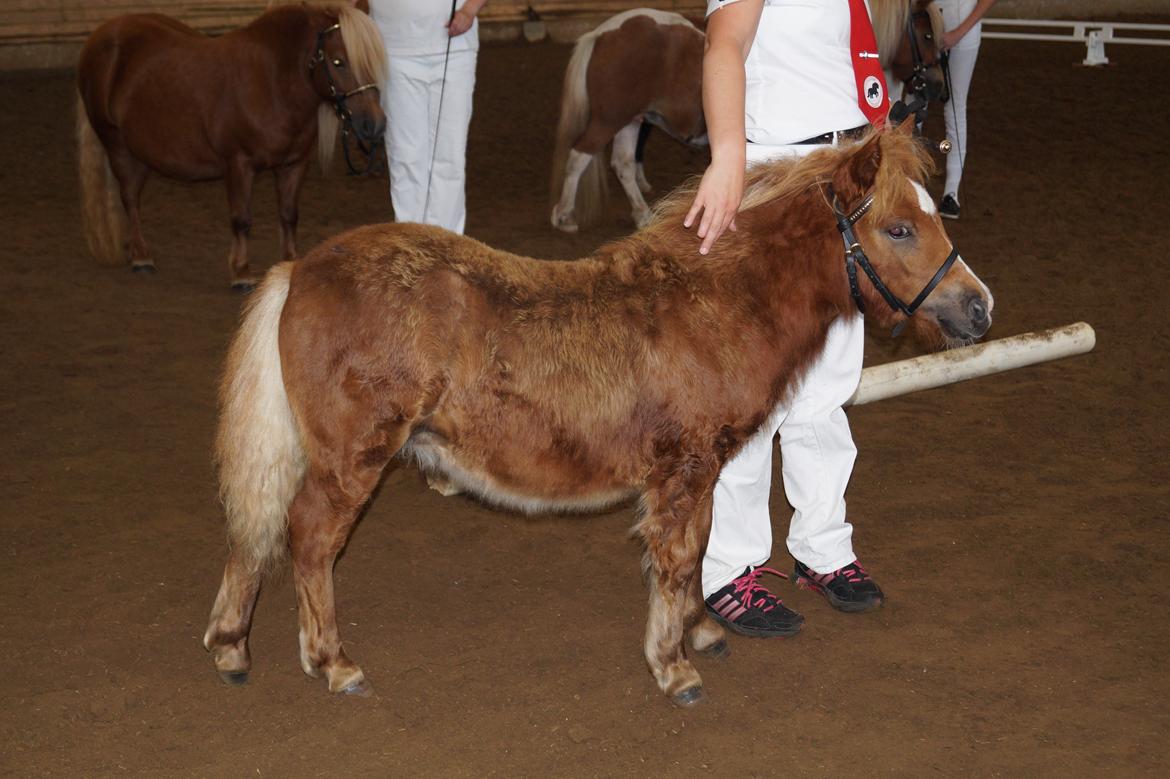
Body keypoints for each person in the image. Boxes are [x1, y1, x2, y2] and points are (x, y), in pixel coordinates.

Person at [684, 0, 890, 638]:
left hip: (846, 169)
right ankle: (729, 569)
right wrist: (727, 160)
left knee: (828, 389)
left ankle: (823, 548)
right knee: (757, 396)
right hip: (779, 176)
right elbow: (723, 46)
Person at [369, 0, 488, 233]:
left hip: (455, 51)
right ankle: (411, 245)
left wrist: (469, 10)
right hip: (394, 52)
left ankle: (446, 245)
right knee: (406, 156)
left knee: (449, 156)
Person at [936, 0, 997, 219]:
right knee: (915, 107)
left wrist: (958, 33)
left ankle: (951, 193)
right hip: (925, 30)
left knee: (954, 107)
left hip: (963, 33)